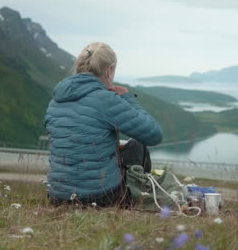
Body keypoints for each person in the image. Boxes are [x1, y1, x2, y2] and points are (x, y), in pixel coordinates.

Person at [44, 42, 163, 207]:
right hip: (100, 198)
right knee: (137, 145)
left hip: (57, 197)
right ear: (109, 70)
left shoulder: (55, 102)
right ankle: (141, 196)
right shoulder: (106, 99)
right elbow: (154, 135)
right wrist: (128, 99)